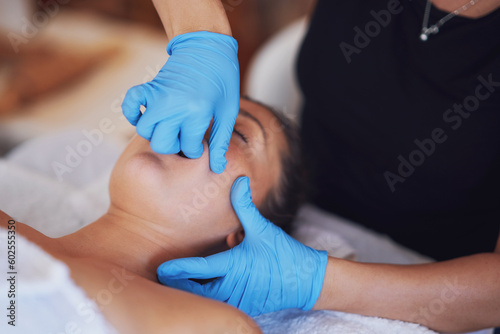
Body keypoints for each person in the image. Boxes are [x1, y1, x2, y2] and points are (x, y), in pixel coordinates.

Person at [131, 0, 500, 333]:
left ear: (239, 237)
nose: (198, 134)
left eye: (238, 135)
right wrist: (199, 37)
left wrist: (316, 282)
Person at [0, 98, 304, 333]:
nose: (194, 123)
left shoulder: (216, 325)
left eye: (238, 133)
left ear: (243, 235)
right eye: (190, 108)